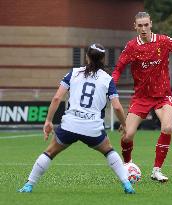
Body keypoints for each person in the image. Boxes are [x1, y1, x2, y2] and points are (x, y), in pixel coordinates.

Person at [18, 43, 135, 194]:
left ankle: (29, 185)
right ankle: (127, 184)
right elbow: (118, 107)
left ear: (87, 57)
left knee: (49, 152)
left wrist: (48, 121)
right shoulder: (107, 79)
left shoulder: (73, 73)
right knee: (109, 151)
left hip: (70, 125)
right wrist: (125, 125)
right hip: (93, 128)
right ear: (103, 59)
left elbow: (56, 98)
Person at [112, 11, 172, 182]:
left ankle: (157, 170)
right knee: (128, 135)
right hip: (141, 98)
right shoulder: (131, 47)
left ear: (151, 24)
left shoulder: (163, 41)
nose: (143, 28)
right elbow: (118, 69)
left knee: (167, 127)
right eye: (140, 26)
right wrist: (110, 84)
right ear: (135, 27)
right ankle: (128, 165)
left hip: (163, 96)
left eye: (146, 25)